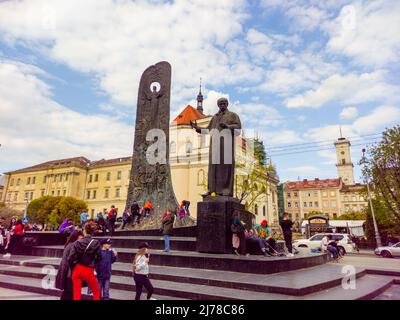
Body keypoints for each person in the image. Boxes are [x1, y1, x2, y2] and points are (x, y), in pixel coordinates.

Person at [67, 222, 102, 300]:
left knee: (76, 293)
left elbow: (70, 258)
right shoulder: (95, 243)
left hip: (77, 268)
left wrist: (73, 267)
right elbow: (99, 257)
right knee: (96, 292)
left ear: (84, 231)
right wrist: (93, 265)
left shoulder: (77, 242)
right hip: (88, 269)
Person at [55, 229, 84, 300]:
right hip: (70, 274)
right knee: (69, 293)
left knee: (69, 293)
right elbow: (70, 261)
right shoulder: (73, 245)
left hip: (69, 274)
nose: (82, 240)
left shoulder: (70, 245)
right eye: (81, 238)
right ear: (76, 237)